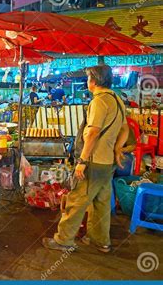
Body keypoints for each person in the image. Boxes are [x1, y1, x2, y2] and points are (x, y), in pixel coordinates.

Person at [42, 65, 128, 253]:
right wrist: (117, 149)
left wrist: (81, 161)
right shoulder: (117, 99)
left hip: (93, 162)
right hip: (107, 163)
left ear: (94, 81)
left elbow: (93, 133)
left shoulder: (99, 101)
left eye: (88, 78)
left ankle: (64, 241)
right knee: (101, 203)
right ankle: (101, 241)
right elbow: (125, 129)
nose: (87, 82)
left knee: (77, 200)